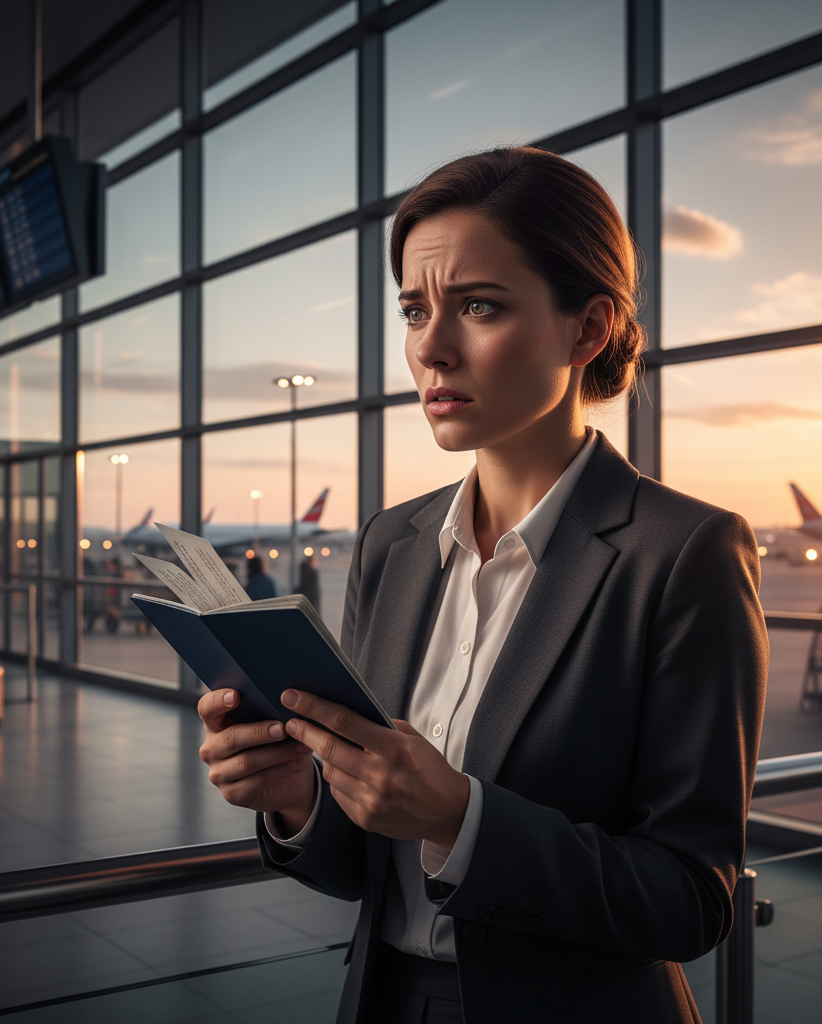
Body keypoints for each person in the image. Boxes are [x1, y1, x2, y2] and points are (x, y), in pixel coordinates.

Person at [197, 148, 768, 1022]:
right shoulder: (392, 543)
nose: (430, 346)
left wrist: (462, 817)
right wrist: (302, 800)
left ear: (588, 331)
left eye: (478, 306)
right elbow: (365, 866)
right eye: (415, 309)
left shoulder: (683, 553)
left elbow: (692, 897)